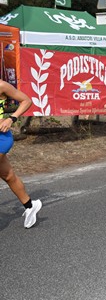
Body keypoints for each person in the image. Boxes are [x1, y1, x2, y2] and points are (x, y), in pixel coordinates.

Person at [0, 80, 42, 228]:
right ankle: (30, 205)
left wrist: (11, 118)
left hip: (1, 137)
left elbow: (26, 100)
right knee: (8, 176)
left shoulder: (1, 85)